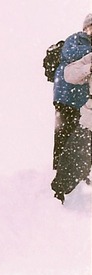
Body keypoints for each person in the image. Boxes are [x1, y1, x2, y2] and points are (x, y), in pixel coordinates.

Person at [52, 14, 92, 202]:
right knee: (67, 139)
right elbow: (70, 61)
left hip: (82, 102)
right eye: (90, 28)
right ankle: (61, 180)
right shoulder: (76, 40)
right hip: (67, 100)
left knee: (77, 142)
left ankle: (78, 176)